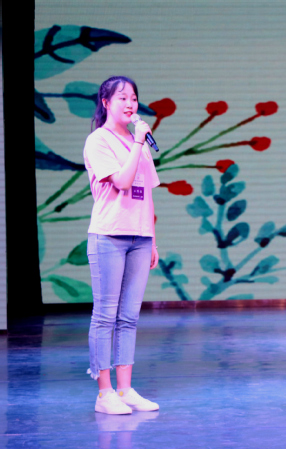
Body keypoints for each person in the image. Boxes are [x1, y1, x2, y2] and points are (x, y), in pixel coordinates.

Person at [84, 76, 161, 415]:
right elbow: (124, 182)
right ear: (106, 103)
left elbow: (147, 195)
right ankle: (104, 393)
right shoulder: (98, 141)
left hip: (139, 237)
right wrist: (138, 143)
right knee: (105, 316)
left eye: (134, 98)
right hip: (109, 235)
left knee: (129, 317)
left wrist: (152, 239)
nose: (130, 104)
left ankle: (125, 389)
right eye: (122, 98)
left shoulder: (136, 141)